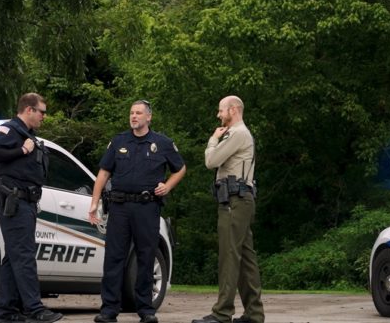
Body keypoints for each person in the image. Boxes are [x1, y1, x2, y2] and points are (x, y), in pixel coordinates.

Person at [88, 100, 187, 323]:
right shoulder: (119, 141)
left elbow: (180, 168)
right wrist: (94, 203)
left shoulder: (162, 143)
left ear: (149, 117)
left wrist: (168, 186)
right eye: (132, 113)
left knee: (146, 256)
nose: (134, 116)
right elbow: (103, 173)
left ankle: (146, 309)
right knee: (114, 257)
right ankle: (109, 309)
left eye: (139, 113)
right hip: (120, 207)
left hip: (147, 207)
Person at [0, 93, 63, 323]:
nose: (44, 117)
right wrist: (22, 150)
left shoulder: (28, 136)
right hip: (14, 201)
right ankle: (34, 309)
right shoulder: (9, 131)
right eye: (42, 112)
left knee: (14, 256)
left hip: (26, 203)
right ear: (29, 110)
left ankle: (6, 311)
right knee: (25, 255)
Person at [192, 96, 265, 323]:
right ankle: (254, 313)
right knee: (245, 258)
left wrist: (213, 140)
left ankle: (222, 313)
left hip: (235, 201)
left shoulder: (237, 133)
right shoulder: (238, 134)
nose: (218, 115)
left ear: (233, 110)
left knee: (229, 256)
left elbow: (211, 160)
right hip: (239, 200)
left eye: (221, 110)